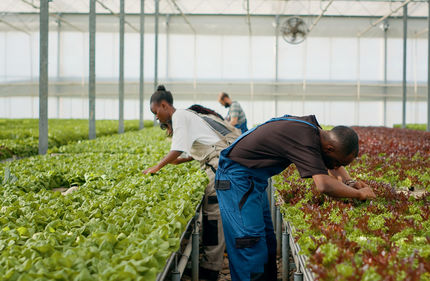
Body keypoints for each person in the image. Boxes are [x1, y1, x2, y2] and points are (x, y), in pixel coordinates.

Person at [214, 115, 376, 281]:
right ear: (329, 149)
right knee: (249, 243)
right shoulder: (305, 138)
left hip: (253, 180)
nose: (336, 168)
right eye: (337, 163)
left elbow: (331, 164)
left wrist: (350, 182)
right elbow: (323, 185)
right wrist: (359, 194)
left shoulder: (315, 132)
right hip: (236, 179)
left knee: (267, 241)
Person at [143, 85, 241, 281]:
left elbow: (178, 148)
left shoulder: (179, 116)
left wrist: (157, 167)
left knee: (214, 216)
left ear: (164, 105)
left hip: (220, 169)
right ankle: (211, 264)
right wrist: (183, 160)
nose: (156, 117)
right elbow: (204, 143)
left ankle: (210, 269)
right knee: (217, 215)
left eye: (155, 112)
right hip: (223, 165)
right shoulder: (187, 114)